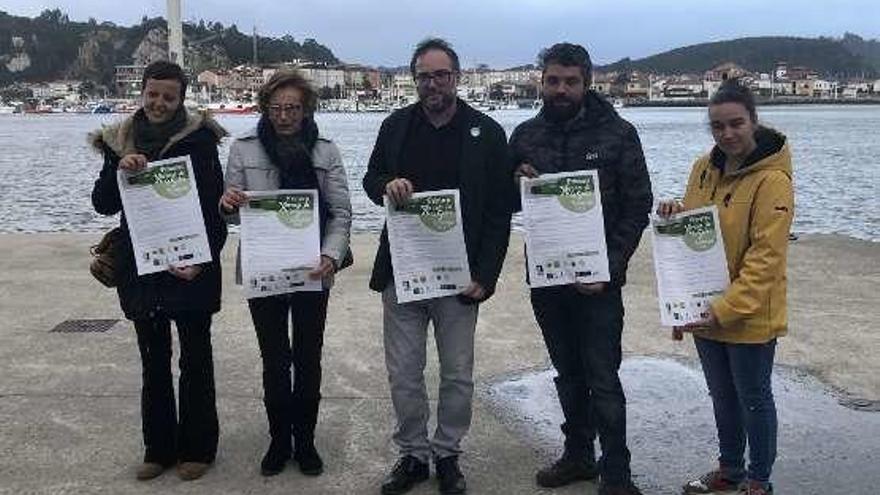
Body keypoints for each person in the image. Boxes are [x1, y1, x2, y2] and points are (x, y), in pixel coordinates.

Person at [362, 38, 512, 495]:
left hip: (460, 277)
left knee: (457, 374)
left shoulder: (486, 133)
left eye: (441, 75)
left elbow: (498, 212)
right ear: (415, 80)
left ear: (457, 77)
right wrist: (388, 184)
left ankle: (447, 454)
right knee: (404, 373)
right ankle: (412, 454)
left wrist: (485, 277)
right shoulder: (395, 126)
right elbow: (370, 180)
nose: (433, 84)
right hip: (404, 272)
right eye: (424, 76)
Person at [509, 43, 652, 495]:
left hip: (601, 283)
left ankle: (617, 472)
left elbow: (638, 204)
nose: (561, 89)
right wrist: (515, 184)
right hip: (549, 281)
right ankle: (577, 456)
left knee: (603, 378)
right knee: (566, 373)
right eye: (553, 80)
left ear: (587, 82)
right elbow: (504, 202)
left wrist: (610, 267)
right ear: (542, 82)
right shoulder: (525, 136)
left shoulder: (619, 133)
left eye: (571, 81)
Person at [90, 60, 228, 481]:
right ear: (142, 92)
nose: (159, 103)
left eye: (169, 96)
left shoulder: (201, 141)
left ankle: (199, 449)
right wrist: (120, 171)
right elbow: (103, 204)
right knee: (153, 360)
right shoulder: (119, 141)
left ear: (182, 98)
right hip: (143, 267)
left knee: (196, 359)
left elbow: (215, 207)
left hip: (191, 264)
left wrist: (202, 260)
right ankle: (158, 448)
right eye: (153, 94)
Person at [658, 80, 793, 495]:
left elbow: (765, 258)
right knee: (722, 396)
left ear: (753, 121)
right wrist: (674, 212)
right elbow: (695, 229)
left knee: (753, 397)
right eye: (718, 126)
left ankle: (758, 481)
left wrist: (727, 306)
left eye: (736, 123)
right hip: (705, 305)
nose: (727, 134)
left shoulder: (772, 180)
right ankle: (730, 470)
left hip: (749, 312)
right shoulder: (702, 166)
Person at [220, 70, 352, 477]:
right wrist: (227, 203)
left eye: (292, 108)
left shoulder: (326, 152)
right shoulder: (243, 149)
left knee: (308, 359)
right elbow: (226, 211)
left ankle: (306, 441)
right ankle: (279, 440)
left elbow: (342, 213)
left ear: (306, 109)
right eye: (276, 108)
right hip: (265, 268)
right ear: (264, 108)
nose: (283, 116)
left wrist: (332, 256)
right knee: (275, 361)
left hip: (314, 269)